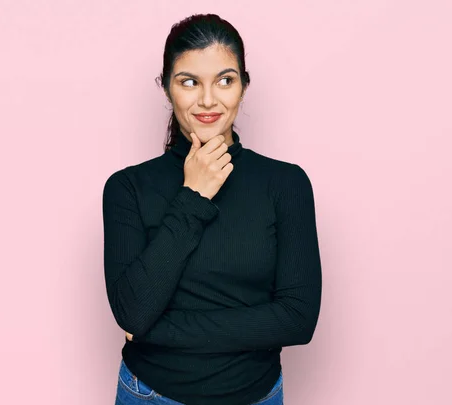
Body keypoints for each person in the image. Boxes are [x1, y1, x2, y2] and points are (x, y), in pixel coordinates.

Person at [102, 13, 322, 405]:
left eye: (225, 80)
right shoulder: (127, 188)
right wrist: (193, 197)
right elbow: (133, 312)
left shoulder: (285, 184)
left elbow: (297, 319)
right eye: (189, 82)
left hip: (255, 396)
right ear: (167, 89)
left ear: (243, 86)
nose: (208, 99)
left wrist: (157, 330)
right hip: (151, 395)